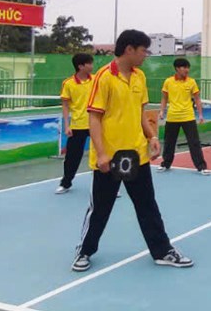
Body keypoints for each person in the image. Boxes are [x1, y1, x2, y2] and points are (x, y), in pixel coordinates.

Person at [72, 30, 192, 272]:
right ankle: (84, 250)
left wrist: (152, 136)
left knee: (147, 205)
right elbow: (94, 119)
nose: (145, 56)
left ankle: (162, 250)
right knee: (101, 209)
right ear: (129, 49)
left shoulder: (139, 77)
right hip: (111, 156)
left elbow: (139, 114)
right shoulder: (104, 77)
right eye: (143, 51)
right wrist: (102, 153)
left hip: (136, 154)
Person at [159, 58, 208, 174]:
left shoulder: (191, 82)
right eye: (184, 67)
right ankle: (166, 164)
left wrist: (200, 115)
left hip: (188, 116)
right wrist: (162, 111)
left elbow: (197, 99)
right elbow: (164, 98)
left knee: (194, 142)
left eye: (188, 67)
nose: (187, 70)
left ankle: (201, 166)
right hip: (172, 116)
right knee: (169, 142)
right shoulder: (168, 82)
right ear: (177, 68)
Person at [56, 53, 94, 194]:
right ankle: (66, 183)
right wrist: (67, 125)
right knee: (72, 157)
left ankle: (108, 186)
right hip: (78, 125)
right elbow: (65, 105)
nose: (92, 66)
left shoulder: (97, 80)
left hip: (96, 124)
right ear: (80, 66)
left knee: (102, 154)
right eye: (89, 63)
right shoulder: (68, 83)